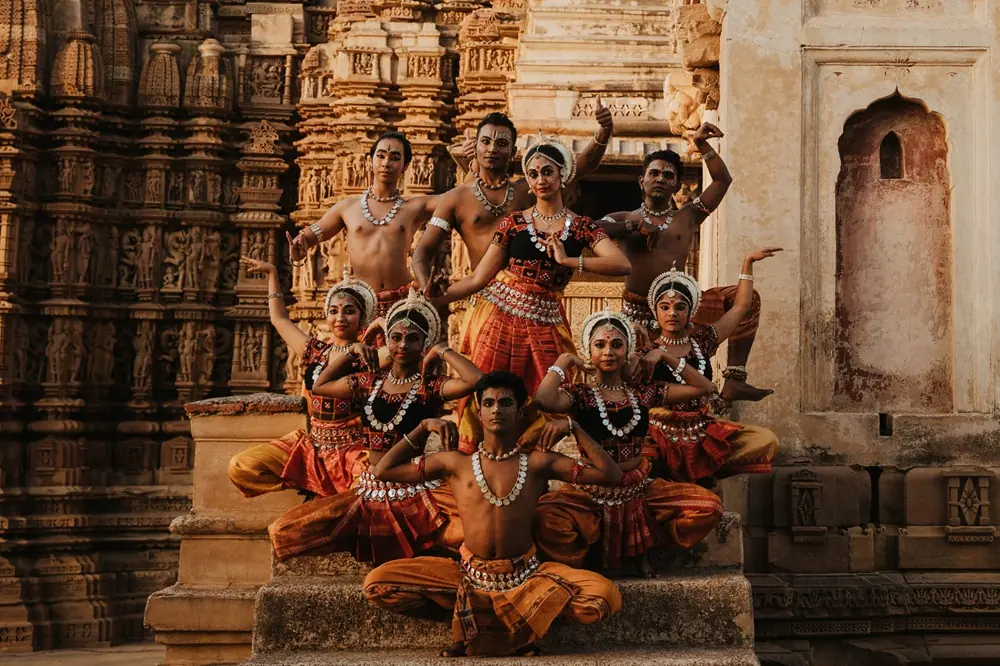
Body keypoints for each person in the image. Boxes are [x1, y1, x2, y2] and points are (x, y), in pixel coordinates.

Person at [363, 371, 623, 657]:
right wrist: (423, 428)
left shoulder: (537, 463)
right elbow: (382, 470)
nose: (496, 410)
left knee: (603, 596)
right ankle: (480, 613)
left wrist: (574, 427)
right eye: (488, 403)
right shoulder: (455, 464)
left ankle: (517, 612)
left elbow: (610, 474)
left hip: (524, 578)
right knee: (378, 584)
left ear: (520, 409)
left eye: (505, 403)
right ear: (479, 410)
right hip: (467, 575)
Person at [431, 138, 631, 451]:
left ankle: (530, 474)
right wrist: (438, 296)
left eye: (548, 172)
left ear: (562, 175)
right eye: (534, 174)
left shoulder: (580, 227)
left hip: (545, 323)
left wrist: (568, 260)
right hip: (497, 319)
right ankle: (481, 471)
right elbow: (480, 277)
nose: (540, 180)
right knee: (485, 394)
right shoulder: (513, 223)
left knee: (545, 401)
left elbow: (621, 263)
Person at [267, 291, 483, 564]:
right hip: (369, 485)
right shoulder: (369, 382)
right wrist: (352, 353)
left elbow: (475, 379)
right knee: (285, 531)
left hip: (411, 484)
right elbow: (321, 386)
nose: (403, 344)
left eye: (413, 338)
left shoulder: (429, 387)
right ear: (387, 341)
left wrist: (442, 349)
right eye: (396, 337)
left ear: (422, 344)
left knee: (472, 530)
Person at [532, 310, 723, 576]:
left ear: (627, 350)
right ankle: (590, 553)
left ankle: (650, 544)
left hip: (638, 488)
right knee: (545, 520)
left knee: (709, 507)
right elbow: (543, 399)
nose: (608, 351)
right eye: (600, 345)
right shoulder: (581, 395)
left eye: (616, 344)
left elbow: (705, 388)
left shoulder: (643, 393)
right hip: (591, 489)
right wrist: (564, 361)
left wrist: (665, 355)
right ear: (589, 352)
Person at [597, 122, 771, 404]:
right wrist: (632, 227)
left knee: (746, 301)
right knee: (635, 377)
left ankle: (735, 380)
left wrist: (702, 146)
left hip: (682, 307)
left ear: (677, 184)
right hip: (637, 313)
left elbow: (722, 182)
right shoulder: (622, 217)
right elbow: (587, 229)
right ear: (641, 181)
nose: (661, 178)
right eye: (654, 173)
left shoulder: (688, 216)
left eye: (668, 175)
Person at [411, 104, 614, 295]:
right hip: (481, 299)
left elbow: (581, 165)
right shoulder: (456, 198)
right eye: (486, 141)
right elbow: (422, 253)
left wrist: (603, 132)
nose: (492, 149)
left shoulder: (528, 190)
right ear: (476, 148)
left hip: (528, 301)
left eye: (501, 143)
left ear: (513, 152)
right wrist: (426, 285)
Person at [227, 260, 380, 498]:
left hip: (352, 450)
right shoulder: (315, 351)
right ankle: (307, 480)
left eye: (349, 311)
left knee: (366, 490)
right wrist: (272, 274)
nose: (340, 317)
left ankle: (324, 502)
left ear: (362, 318)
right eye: (333, 311)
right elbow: (280, 320)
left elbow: (401, 349)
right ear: (326, 316)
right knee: (241, 466)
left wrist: (382, 326)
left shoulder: (369, 356)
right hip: (312, 447)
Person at [643, 254, 781, 484]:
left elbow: (741, 307)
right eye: (664, 307)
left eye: (680, 307)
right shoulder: (645, 350)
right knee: (643, 459)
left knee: (765, 440)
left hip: (700, 430)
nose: (672, 313)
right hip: (659, 434)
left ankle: (705, 470)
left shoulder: (703, 341)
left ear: (690, 311)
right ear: (656, 312)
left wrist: (747, 263)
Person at [286, 131, 440, 319]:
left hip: (402, 301)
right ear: (369, 161)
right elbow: (310, 236)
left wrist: (472, 166)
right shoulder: (347, 208)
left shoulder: (414, 208)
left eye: (394, 158)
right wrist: (298, 249)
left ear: (405, 166)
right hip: (361, 302)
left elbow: (459, 199)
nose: (386, 163)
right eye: (381, 156)